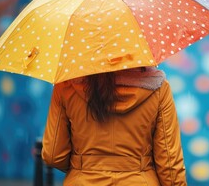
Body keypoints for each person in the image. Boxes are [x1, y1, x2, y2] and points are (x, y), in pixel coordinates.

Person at [42, 66, 187, 185]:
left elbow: (53, 155)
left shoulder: (66, 86)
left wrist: (83, 165)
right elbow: (169, 165)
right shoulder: (158, 88)